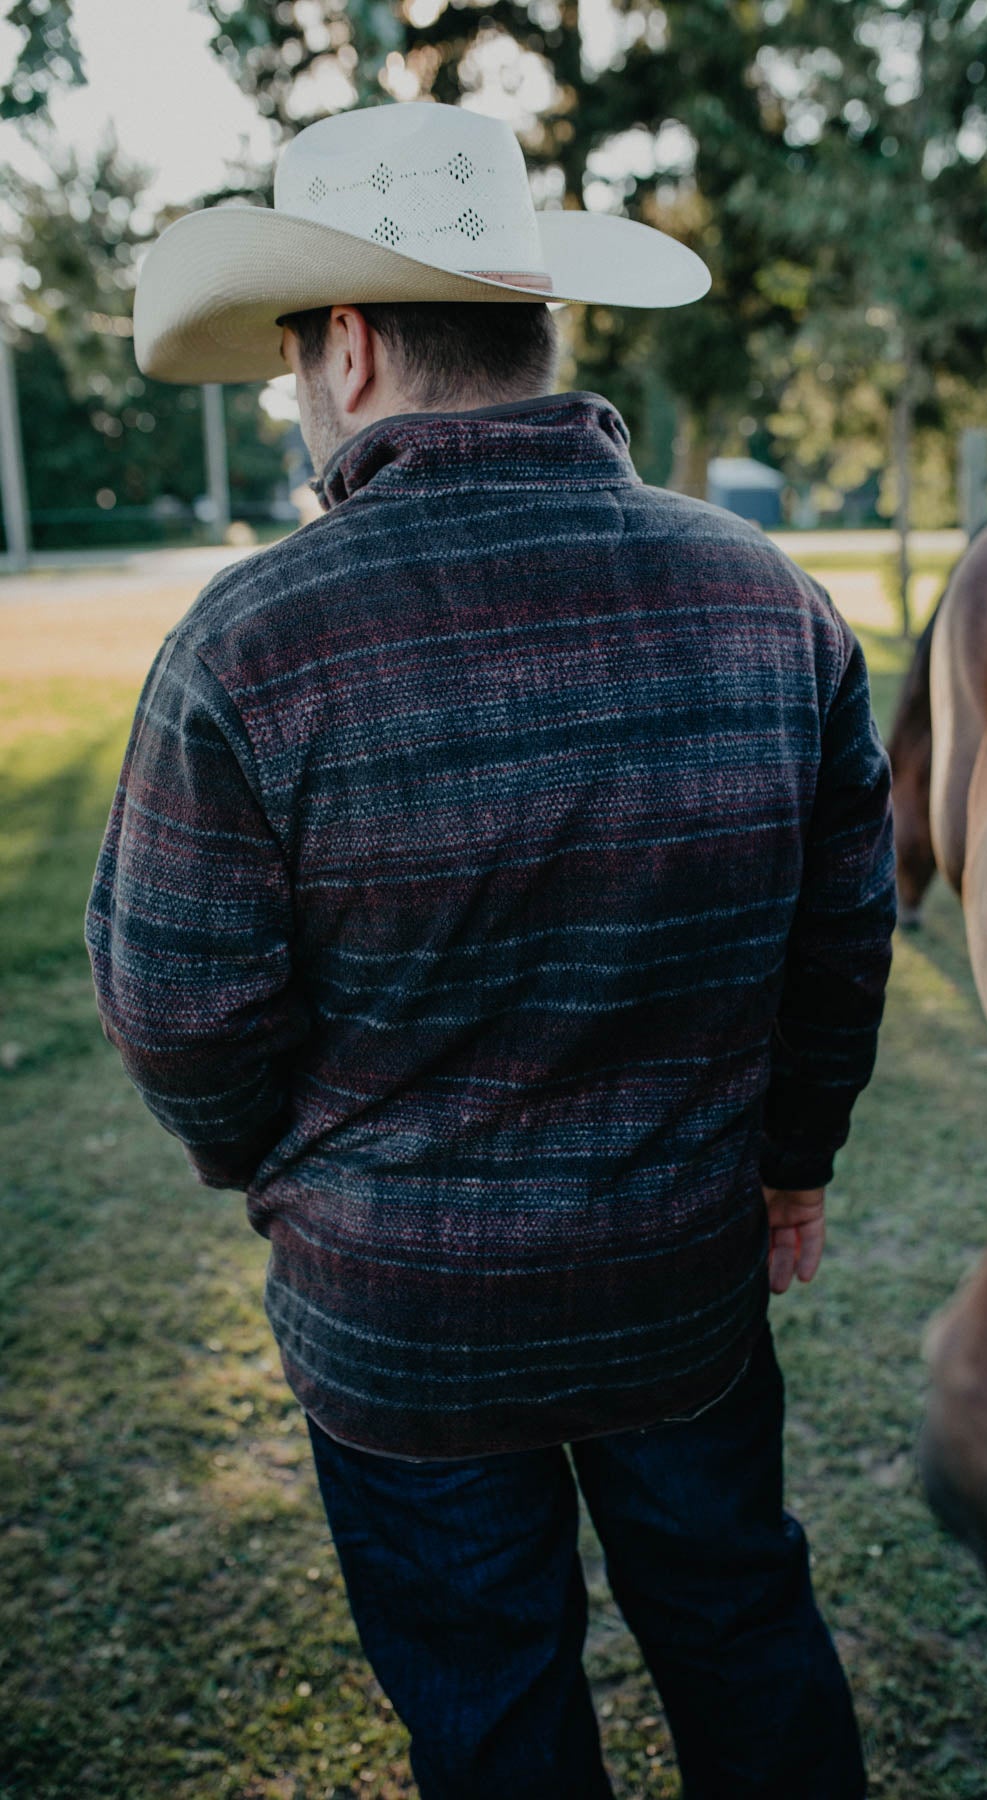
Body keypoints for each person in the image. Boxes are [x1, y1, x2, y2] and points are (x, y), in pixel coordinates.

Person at [86, 100, 895, 1800]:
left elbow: (177, 1011)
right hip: (682, 1280)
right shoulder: (770, 599)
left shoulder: (246, 643)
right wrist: (791, 1165)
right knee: (743, 1628)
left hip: (396, 1319)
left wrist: (293, 1169)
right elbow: (842, 943)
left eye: (296, 362)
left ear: (354, 350)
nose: (299, 399)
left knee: (491, 1703)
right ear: (536, 328)